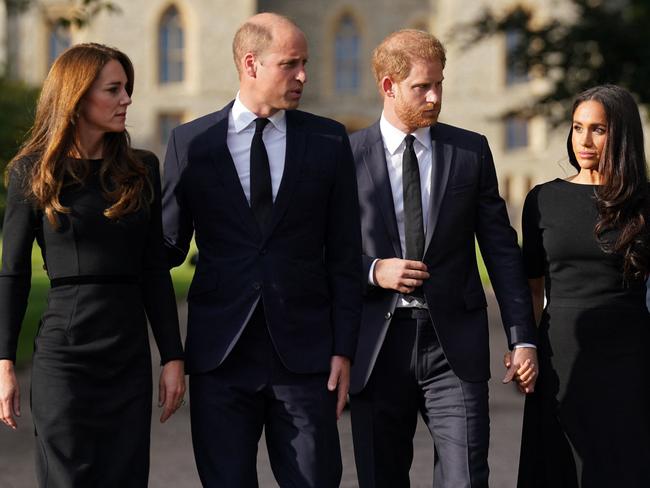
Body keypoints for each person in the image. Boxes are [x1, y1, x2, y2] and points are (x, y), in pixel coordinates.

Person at [161, 13, 361, 488]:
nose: (303, 76)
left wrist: (344, 349)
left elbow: (345, 255)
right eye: (290, 64)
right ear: (251, 64)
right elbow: (164, 250)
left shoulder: (330, 140)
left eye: (304, 63)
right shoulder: (191, 143)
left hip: (306, 360)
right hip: (219, 359)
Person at [348, 29, 538, 488]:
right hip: (377, 346)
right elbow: (318, 252)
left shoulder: (469, 151)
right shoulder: (346, 156)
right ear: (388, 86)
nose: (434, 97)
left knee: (466, 479)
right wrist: (374, 270)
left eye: (439, 84)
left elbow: (500, 250)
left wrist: (521, 336)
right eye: (421, 87)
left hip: (453, 348)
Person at [0, 43, 185, 487]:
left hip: (127, 355)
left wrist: (173, 357)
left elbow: (155, 270)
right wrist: (4, 362)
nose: (127, 99)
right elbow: (13, 272)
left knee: (125, 476)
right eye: (114, 89)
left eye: (128, 88)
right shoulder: (33, 171)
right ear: (79, 97)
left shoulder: (142, 169)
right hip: (64, 358)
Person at [514, 84, 650, 487]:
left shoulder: (643, 203)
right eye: (577, 127)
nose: (584, 140)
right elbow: (532, 287)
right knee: (558, 469)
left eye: (598, 129)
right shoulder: (543, 199)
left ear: (622, 134)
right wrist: (527, 346)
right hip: (561, 357)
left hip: (631, 358)